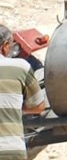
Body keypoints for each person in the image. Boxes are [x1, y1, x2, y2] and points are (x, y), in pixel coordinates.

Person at [0, 25, 46, 160]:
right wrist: (14, 107)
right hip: (11, 149)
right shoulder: (21, 67)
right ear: (5, 46)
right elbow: (39, 107)